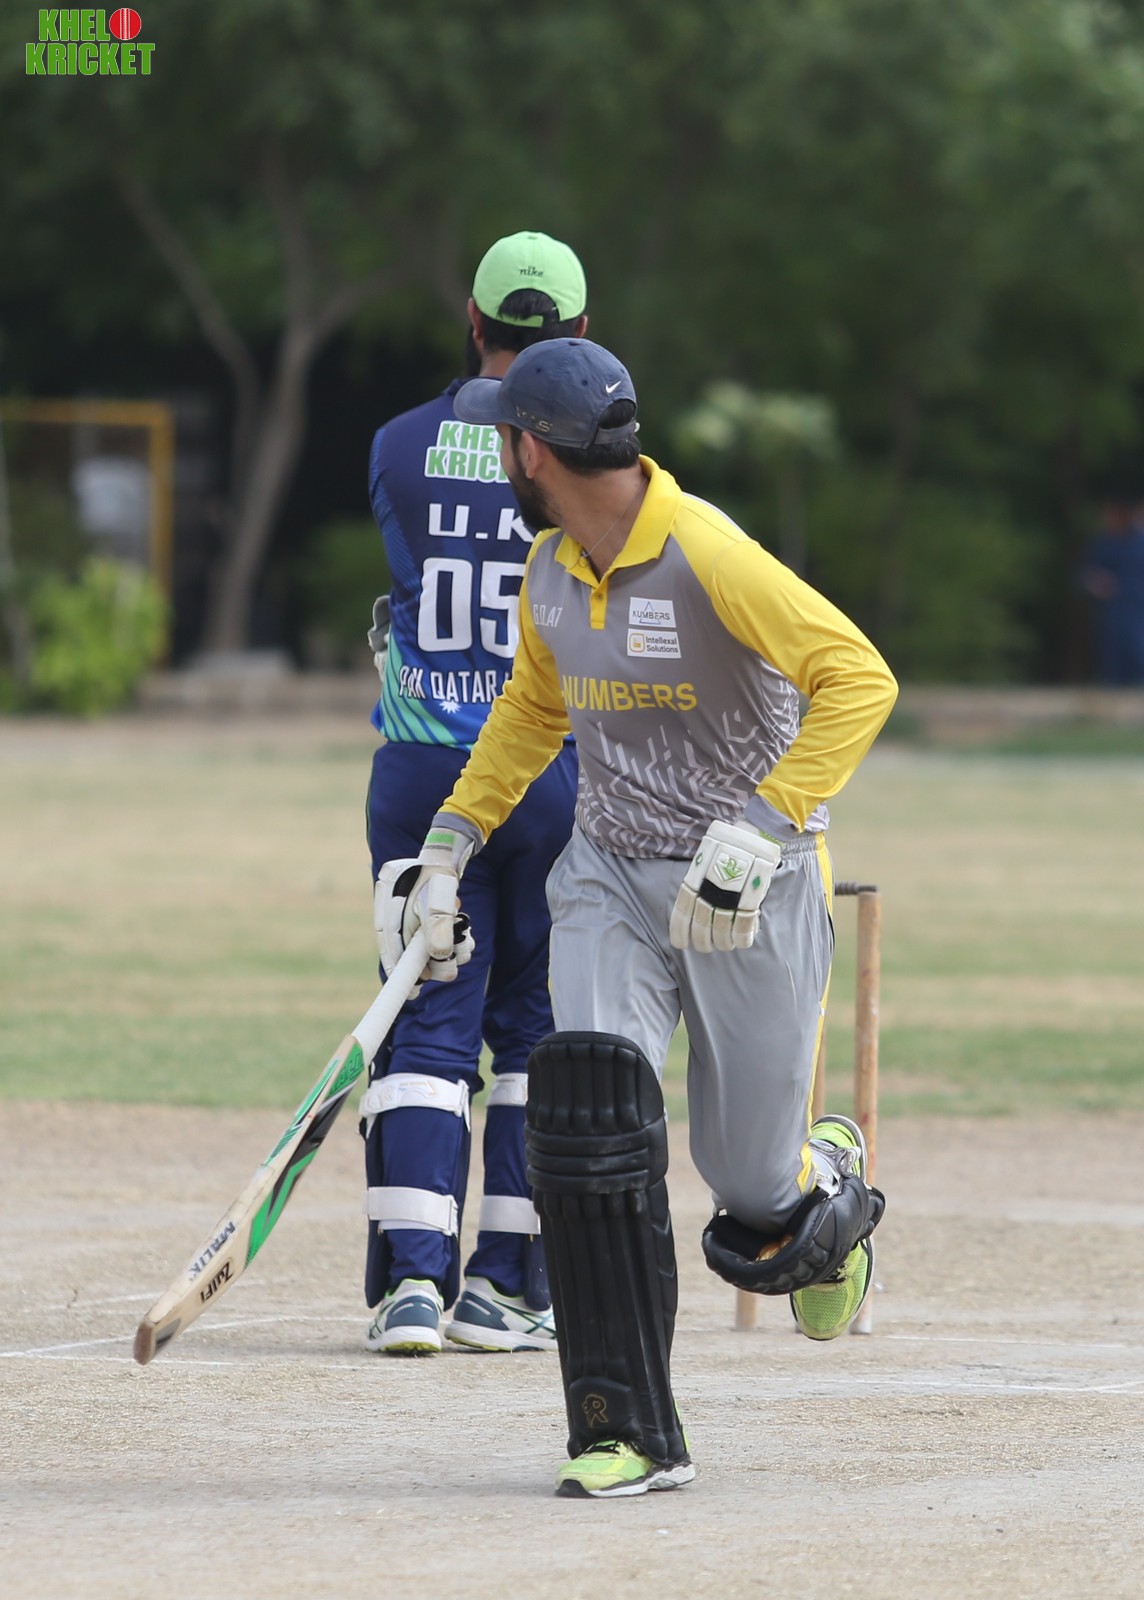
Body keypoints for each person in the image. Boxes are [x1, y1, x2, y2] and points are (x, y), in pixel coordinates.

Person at [376, 337, 898, 1495]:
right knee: (589, 1132)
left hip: (748, 885)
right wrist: (450, 843)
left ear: (532, 451)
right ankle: (624, 1426)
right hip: (607, 874)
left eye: (503, 439)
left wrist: (762, 824)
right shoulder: (550, 569)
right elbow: (531, 709)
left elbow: (858, 678)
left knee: (749, 1194)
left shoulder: (707, 552)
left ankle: (823, 1183)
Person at [362, 233, 586, 1355]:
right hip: (547, 771)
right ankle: (505, 1288)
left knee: (425, 1018)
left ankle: (411, 1284)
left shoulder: (397, 443)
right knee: (536, 1030)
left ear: (473, 317)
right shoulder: (583, 456)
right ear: (581, 334)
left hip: (422, 770)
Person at [1077, 499, 1144, 686]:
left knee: (1138, 649)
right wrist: (1094, 581)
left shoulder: (1139, 543)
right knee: (1113, 655)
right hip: (1113, 608)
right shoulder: (1105, 543)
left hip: (1138, 607)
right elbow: (1085, 573)